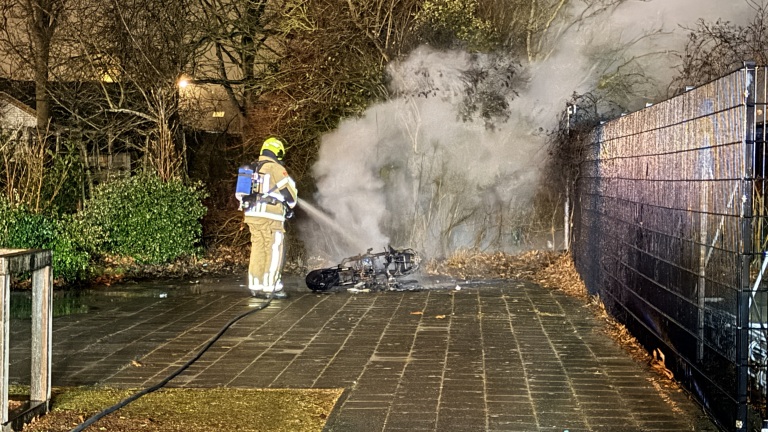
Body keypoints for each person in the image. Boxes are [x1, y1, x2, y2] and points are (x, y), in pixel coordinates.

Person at [236, 137, 298, 299]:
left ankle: (256, 285)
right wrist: (289, 206)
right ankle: (271, 286)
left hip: (252, 214)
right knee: (274, 248)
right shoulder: (275, 168)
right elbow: (290, 195)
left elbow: (240, 195)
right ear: (277, 152)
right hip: (270, 216)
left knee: (258, 247)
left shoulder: (252, 167)